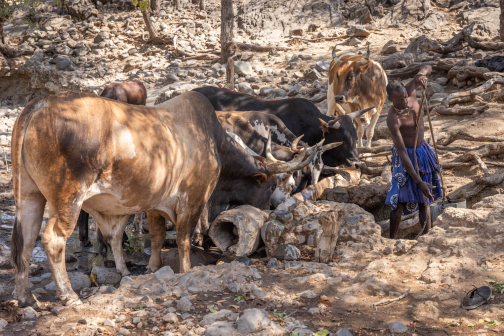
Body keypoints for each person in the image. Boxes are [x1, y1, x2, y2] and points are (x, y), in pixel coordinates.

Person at [385, 65, 442, 239]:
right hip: (406, 159)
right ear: (390, 99)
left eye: (404, 97)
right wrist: (417, 181)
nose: (404, 102)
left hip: (422, 152)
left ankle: (426, 237)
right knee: (399, 203)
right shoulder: (393, 119)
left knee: (425, 199)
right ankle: (392, 240)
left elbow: (428, 67)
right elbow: (402, 152)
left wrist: (421, 76)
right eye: (399, 100)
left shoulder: (410, 92)